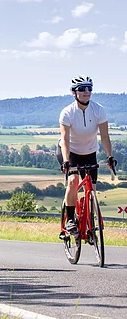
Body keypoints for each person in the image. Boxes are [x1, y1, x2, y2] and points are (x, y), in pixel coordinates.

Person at [59, 75, 114, 235]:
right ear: (74, 93)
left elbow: (104, 136)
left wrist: (109, 156)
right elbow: (65, 140)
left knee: (92, 189)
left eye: (89, 88)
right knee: (73, 181)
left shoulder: (98, 110)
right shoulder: (67, 112)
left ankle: (88, 221)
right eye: (82, 89)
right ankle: (70, 219)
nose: (86, 92)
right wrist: (67, 161)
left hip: (90, 152)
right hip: (70, 152)